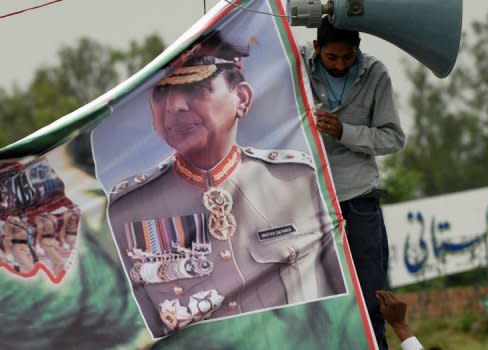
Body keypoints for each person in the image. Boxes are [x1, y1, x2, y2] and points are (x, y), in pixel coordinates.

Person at [108, 31, 345, 337]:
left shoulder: (297, 180)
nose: (175, 106)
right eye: (161, 94)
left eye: (196, 88)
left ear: (242, 99)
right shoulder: (129, 209)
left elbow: (345, 298)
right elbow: (141, 332)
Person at [301, 16, 405, 350]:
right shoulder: (296, 62)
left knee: (371, 294)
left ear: (358, 49)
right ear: (317, 49)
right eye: (332, 57)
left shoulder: (376, 74)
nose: (340, 64)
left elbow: (393, 138)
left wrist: (345, 132)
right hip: (310, 200)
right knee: (316, 298)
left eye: (347, 57)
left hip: (359, 199)